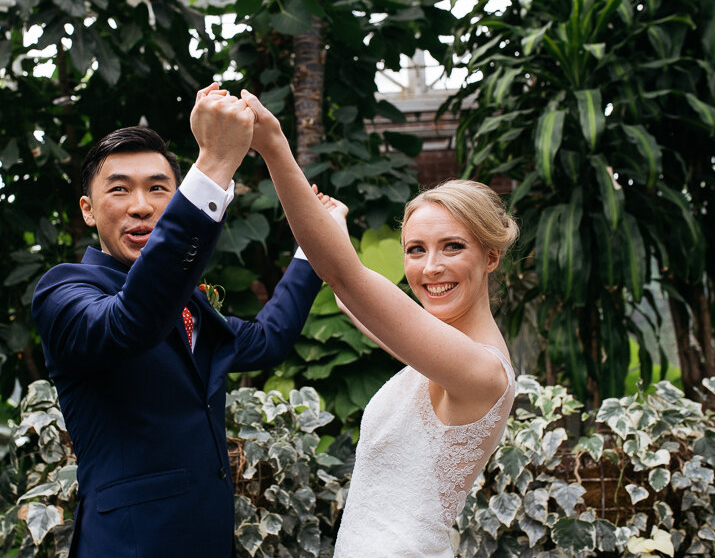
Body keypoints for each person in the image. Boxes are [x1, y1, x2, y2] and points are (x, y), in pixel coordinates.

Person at [31, 84, 323, 558]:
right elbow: (129, 323)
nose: (141, 205)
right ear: (87, 210)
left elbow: (266, 341)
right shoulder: (63, 291)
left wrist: (313, 250)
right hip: (130, 546)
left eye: (159, 188)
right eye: (119, 189)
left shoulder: (189, 305)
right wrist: (213, 166)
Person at [240, 89, 519, 557]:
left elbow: (345, 278)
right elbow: (357, 302)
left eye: (452, 247)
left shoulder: (481, 371)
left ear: (490, 256)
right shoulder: (439, 353)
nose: (430, 268)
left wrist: (273, 146)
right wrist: (336, 226)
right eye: (415, 249)